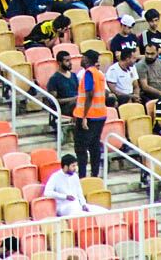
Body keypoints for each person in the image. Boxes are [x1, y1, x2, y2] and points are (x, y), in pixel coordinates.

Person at [73, 50, 107, 178]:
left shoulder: (89, 73)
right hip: (100, 114)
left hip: (90, 116)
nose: (81, 59)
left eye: (83, 57)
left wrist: (84, 117)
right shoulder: (99, 74)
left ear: (87, 59)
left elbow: (90, 94)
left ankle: (82, 176)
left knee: (81, 148)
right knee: (94, 146)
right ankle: (94, 174)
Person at [43, 154, 108, 216]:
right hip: (63, 207)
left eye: (75, 166)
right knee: (77, 211)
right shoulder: (55, 177)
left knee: (103, 211)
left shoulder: (75, 176)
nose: (75, 168)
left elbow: (79, 192)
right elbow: (47, 192)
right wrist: (65, 196)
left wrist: (83, 204)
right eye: (73, 166)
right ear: (65, 167)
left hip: (77, 205)